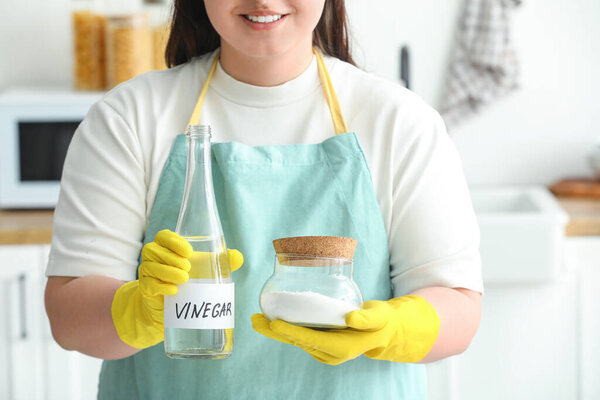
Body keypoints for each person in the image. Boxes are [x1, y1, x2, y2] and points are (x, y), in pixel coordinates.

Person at [44, 0, 483, 398]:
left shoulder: (401, 123)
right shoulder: (129, 119)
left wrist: (391, 329)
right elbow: (69, 314)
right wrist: (137, 310)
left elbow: (458, 307)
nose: (263, 1)